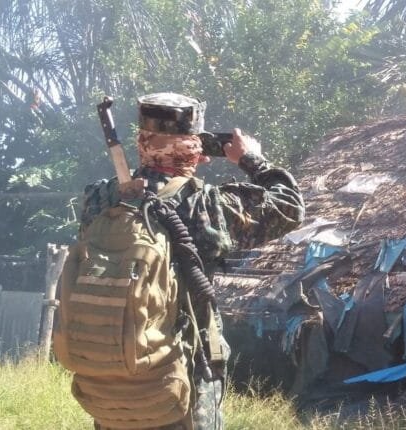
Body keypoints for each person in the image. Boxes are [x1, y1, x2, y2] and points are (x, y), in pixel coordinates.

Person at [76, 92, 305, 429]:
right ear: (192, 147)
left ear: (142, 140)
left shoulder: (100, 198)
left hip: (113, 382)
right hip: (181, 378)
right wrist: (251, 159)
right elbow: (290, 206)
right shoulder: (205, 205)